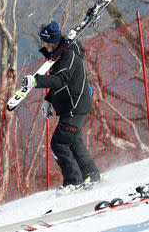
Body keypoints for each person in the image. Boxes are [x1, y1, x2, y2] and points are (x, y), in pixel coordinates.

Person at [21, 20, 100, 193]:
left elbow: (61, 80)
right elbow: (61, 83)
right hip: (71, 105)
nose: (43, 45)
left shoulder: (69, 55)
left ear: (53, 41)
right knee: (74, 142)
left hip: (75, 106)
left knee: (59, 144)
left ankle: (73, 182)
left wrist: (35, 81)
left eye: (45, 41)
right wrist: (48, 99)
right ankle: (92, 175)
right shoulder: (57, 56)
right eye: (42, 41)